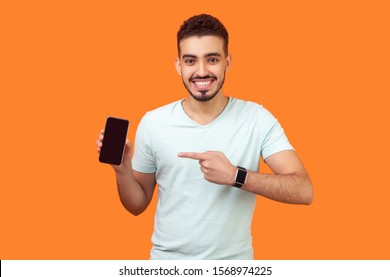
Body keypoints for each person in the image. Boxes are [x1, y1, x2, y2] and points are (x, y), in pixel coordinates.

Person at [96, 14, 313, 260]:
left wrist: (235, 176)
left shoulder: (257, 118)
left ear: (227, 62)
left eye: (212, 59)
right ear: (178, 65)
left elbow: (303, 190)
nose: (201, 71)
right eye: (190, 60)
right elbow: (136, 205)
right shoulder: (153, 122)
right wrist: (122, 170)